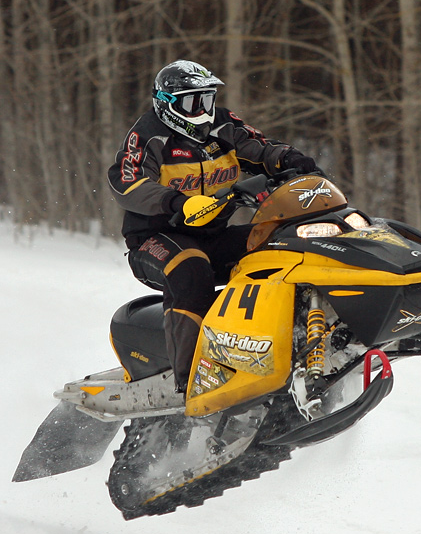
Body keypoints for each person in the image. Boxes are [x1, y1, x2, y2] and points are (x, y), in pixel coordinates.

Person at [107, 59, 321, 393]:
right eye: (193, 102)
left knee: (281, 245)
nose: (203, 110)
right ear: (166, 104)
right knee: (191, 269)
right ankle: (190, 383)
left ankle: (291, 348)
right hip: (156, 238)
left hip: (213, 234)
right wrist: (176, 202)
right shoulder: (147, 135)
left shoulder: (223, 125)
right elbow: (126, 182)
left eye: (207, 99)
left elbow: (259, 148)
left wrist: (290, 159)